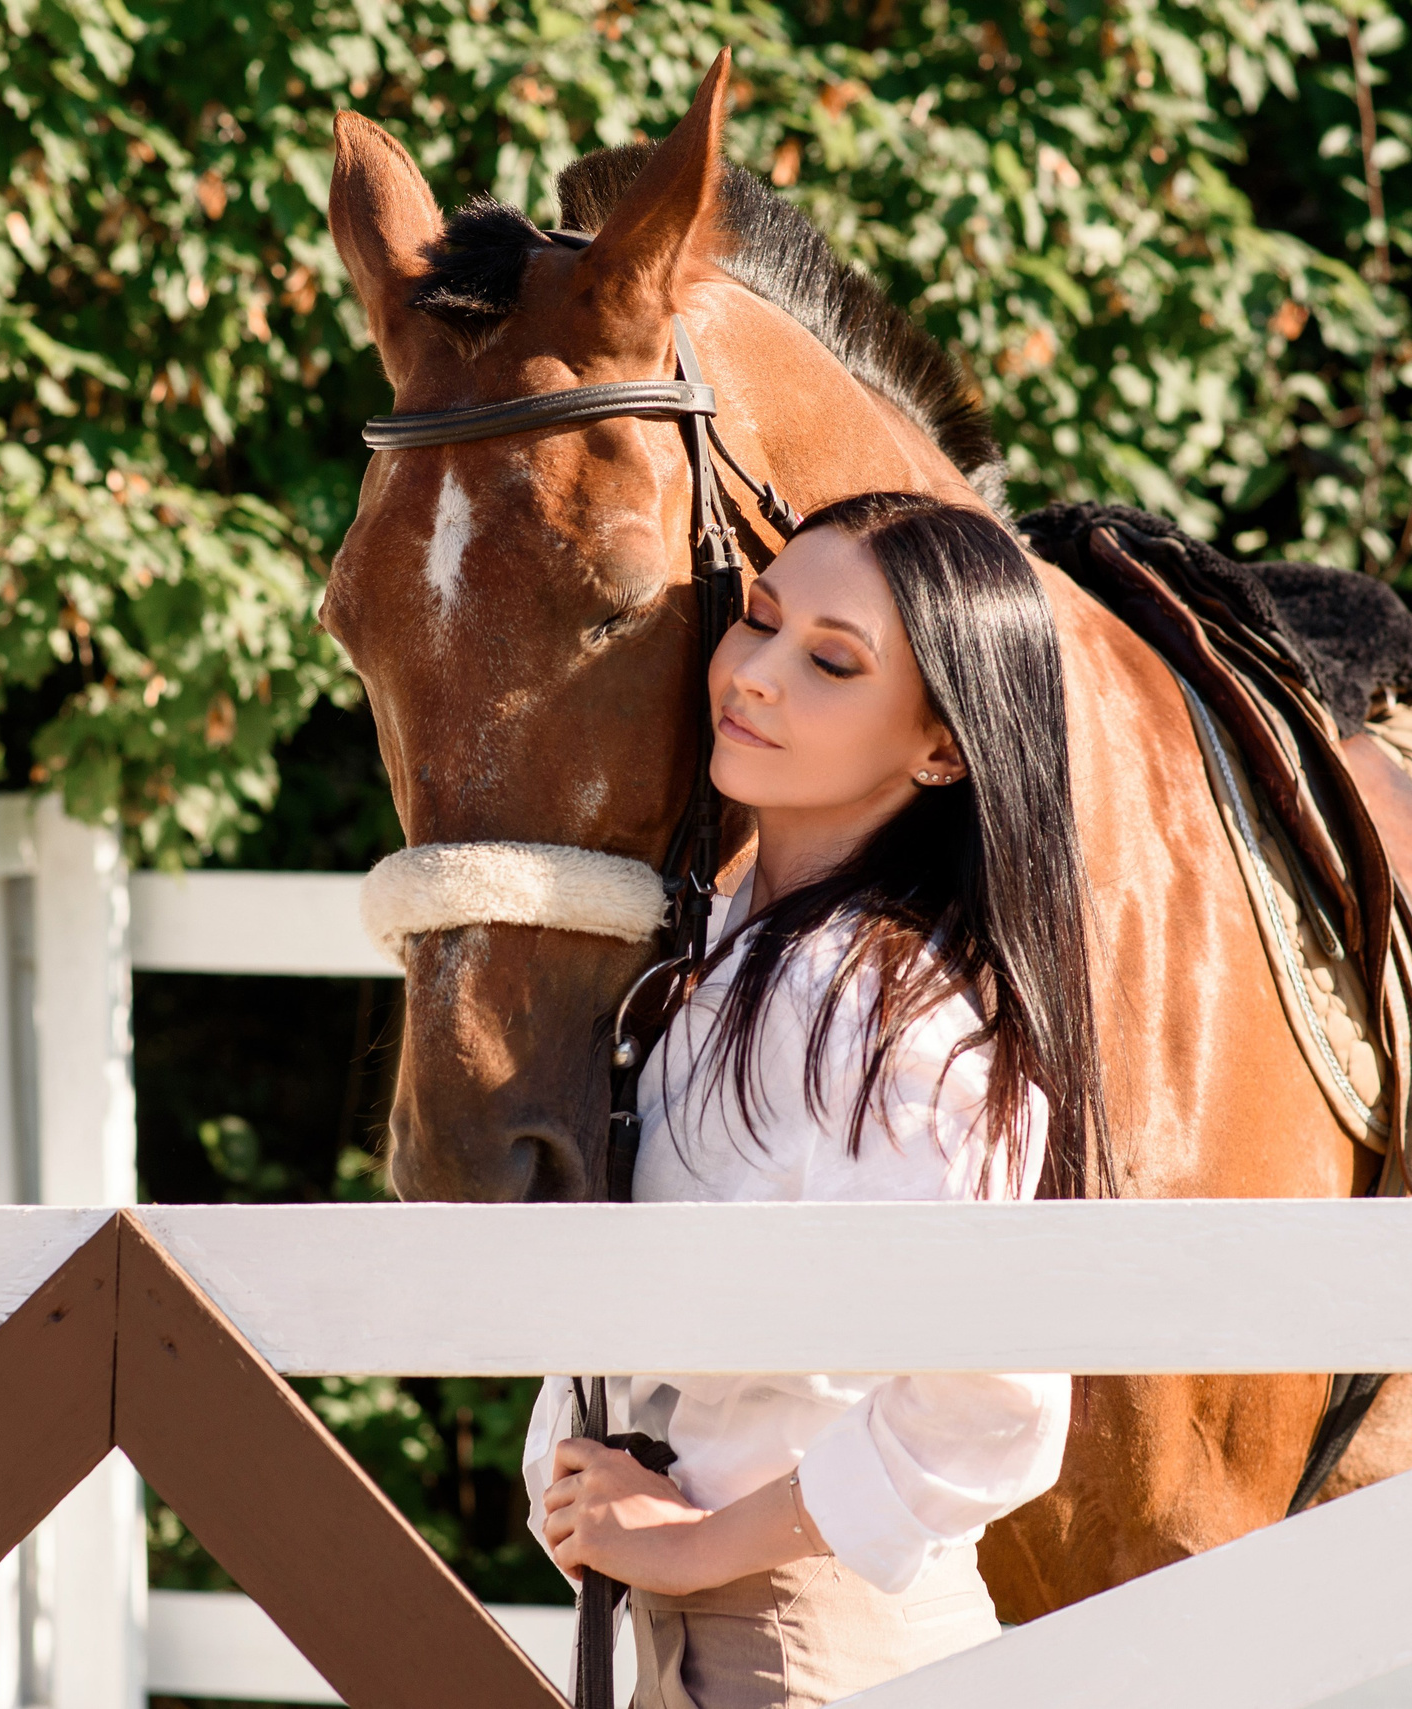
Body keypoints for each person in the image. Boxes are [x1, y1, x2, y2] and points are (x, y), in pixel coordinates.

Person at [521, 491, 1112, 1708]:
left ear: (942, 746)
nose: (758, 675)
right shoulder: (737, 944)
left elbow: (990, 1401)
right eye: (761, 620)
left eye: (832, 661)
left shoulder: (886, 1006)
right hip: (719, 1639)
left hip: (808, 1649)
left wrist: (690, 1543)